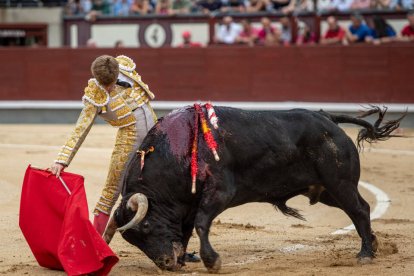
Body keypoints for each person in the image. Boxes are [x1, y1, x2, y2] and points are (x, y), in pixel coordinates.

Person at [51, 55, 157, 236]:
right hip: (129, 139)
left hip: (156, 133)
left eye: (111, 83)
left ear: (117, 74)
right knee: (111, 189)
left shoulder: (125, 69)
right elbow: (80, 129)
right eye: (104, 84)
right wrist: (62, 160)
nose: (107, 88)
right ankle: (95, 240)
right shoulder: (95, 94)